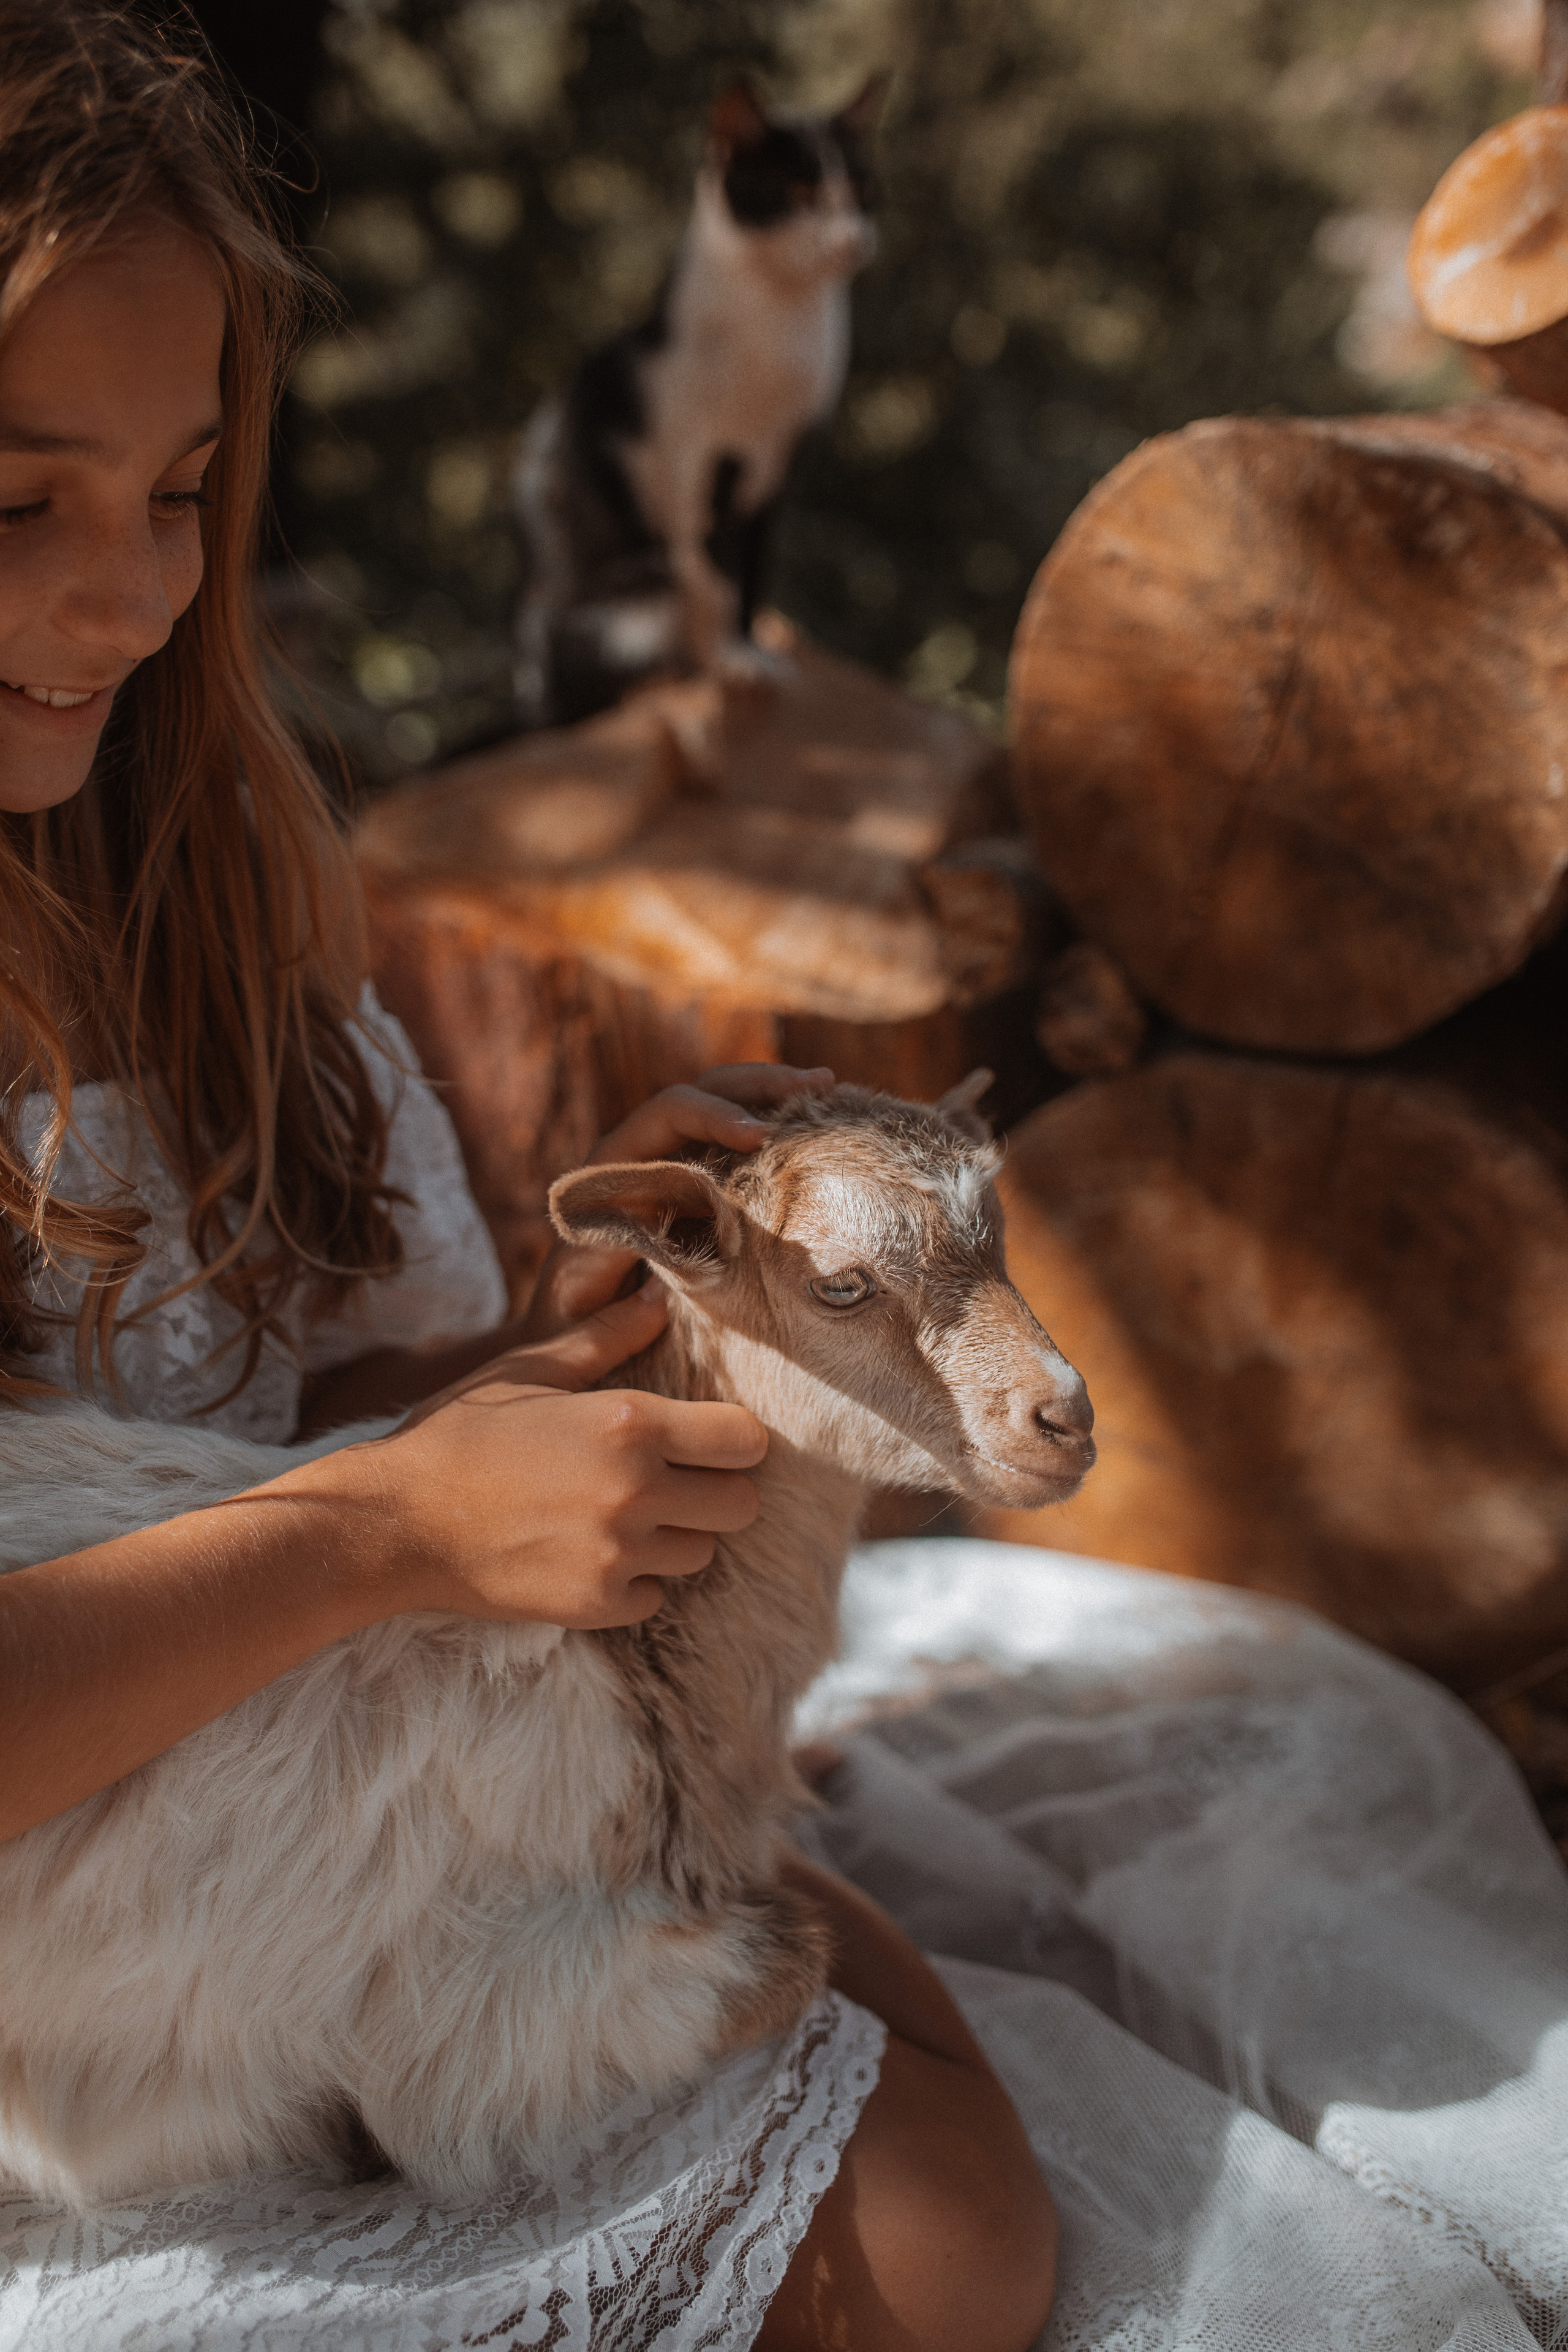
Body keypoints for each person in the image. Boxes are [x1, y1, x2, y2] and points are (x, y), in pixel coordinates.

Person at [0, 9, 1055, 2347]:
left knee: (973, 2111)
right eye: (18, 501)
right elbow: (328, 1516)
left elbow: (334, 1416)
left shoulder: (208, 890)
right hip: (74, 1992)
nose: (131, 593)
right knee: (947, 2246)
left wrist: (588, 1347)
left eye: (181, 490)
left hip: (323, 1785)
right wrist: (391, 1533)